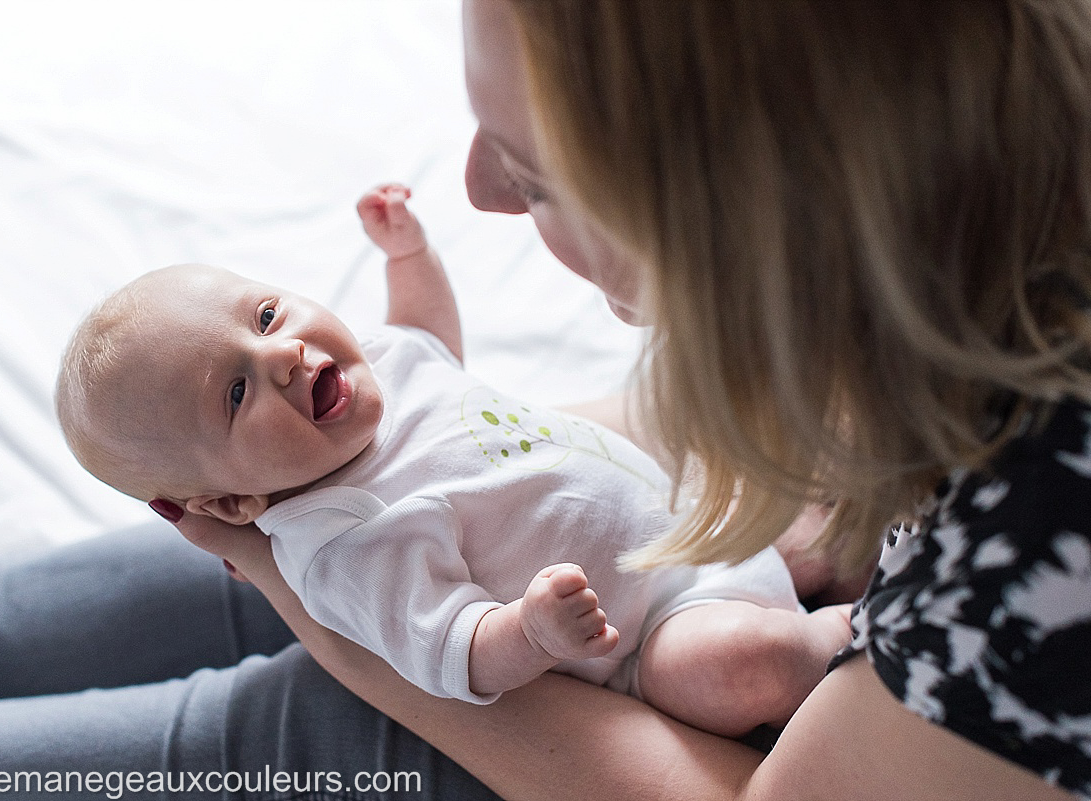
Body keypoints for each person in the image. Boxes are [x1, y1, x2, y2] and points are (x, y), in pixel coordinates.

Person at [171, 1, 1090, 800]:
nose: (480, 191)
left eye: (535, 178)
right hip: (628, 591)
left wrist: (320, 604)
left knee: (247, 729)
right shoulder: (969, 254)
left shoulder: (1038, 555)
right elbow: (604, 433)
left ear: (747, 218)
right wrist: (387, 481)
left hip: (623, 685)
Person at [55, 183, 851, 737]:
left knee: (795, 506)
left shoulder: (374, 366)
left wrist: (409, 255)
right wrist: (529, 632)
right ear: (231, 506)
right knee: (750, 662)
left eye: (265, 314)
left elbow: (429, 341)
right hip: (656, 633)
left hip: (689, 532)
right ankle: (853, 640)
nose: (283, 356)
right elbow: (450, 651)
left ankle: (843, 584)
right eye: (234, 394)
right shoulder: (344, 538)